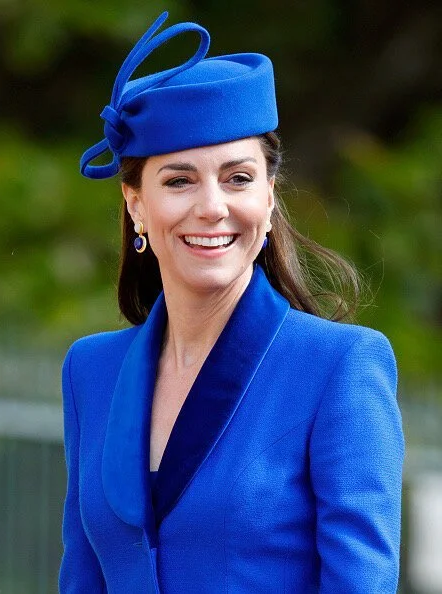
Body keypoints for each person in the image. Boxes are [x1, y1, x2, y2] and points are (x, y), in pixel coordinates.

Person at [59, 11, 404, 594]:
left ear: (269, 198)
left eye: (238, 178)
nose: (212, 207)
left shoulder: (339, 366)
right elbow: (81, 577)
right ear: (136, 204)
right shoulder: (90, 370)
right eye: (179, 180)